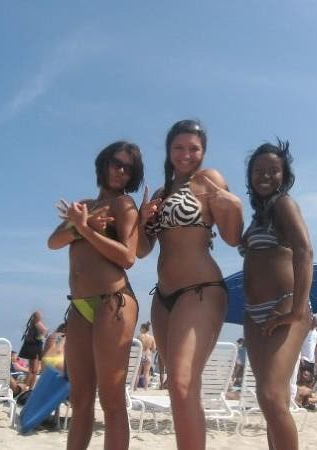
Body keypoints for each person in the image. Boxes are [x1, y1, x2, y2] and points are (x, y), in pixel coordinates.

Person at [137, 119, 243, 450]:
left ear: (203, 151)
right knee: (179, 388)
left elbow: (233, 237)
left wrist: (234, 205)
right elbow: (141, 250)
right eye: (179, 147)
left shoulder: (209, 180)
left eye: (193, 148)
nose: (186, 154)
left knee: (182, 385)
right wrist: (142, 220)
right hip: (163, 297)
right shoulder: (160, 193)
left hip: (201, 290)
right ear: (168, 150)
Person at [48, 141, 143, 450]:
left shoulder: (124, 205)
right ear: (103, 163)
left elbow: (128, 257)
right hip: (79, 306)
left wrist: (86, 231)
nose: (121, 171)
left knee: (111, 399)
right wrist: (83, 223)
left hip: (113, 302)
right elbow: (53, 242)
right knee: (79, 398)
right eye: (116, 163)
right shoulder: (84, 206)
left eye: (128, 168)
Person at [240, 139, 313, 450]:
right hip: (255, 313)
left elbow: (305, 251)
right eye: (259, 170)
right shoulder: (260, 215)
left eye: (273, 170)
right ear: (250, 176)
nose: (265, 176)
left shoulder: (284, 204)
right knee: (272, 400)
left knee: (270, 396)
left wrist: (297, 310)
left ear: (285, 175)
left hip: (284, 307)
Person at [18, 310, 48, 388]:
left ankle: (28, 387)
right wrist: (41, 338)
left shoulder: (32, 324)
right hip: (35, 347)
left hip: (32, 347)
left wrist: (41, 337)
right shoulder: (36, 323)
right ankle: (27, 387)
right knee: (33, 370)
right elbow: (44, 331)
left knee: (33, 370)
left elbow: (43, 332)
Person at [136, 321, 156, 390]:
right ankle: (146, 388)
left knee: (138, 373)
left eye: (141, 328)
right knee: (146, 373)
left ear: (144, 329)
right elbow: (154, 349)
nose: (140, 329)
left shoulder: (139, 336)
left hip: (140, 355)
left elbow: (136, 347)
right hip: (148, 355)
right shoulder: (152, 338)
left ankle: (134, 388)